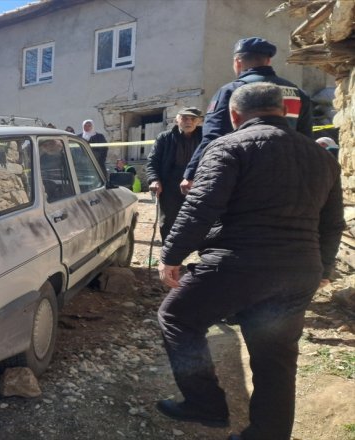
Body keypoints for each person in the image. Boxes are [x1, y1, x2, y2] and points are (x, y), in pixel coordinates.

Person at [156, 83, 343, 440]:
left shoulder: (227, 146)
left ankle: (205, 405)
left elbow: (200, 207)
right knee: (276, 356)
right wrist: (324, 267)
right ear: (284, 112)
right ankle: (269, 434)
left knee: (176, 317)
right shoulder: (321, 156)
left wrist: (172, 256)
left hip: (238, 263)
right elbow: (333, 223)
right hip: (299, 270)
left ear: (234, 115)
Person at [180, 37, 313, 194]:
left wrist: (191, 173)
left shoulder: (231, 91)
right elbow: (306, 138)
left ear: (237, 61)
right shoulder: (298, 93)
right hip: (289, 173)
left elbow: (213, 137)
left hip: (244, 174)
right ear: (268, 61)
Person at [146, 107, 204, 242]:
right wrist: (154, 179)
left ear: (199, 121)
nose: (188, 121)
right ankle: (170, 257)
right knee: (169, 221)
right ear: (176, 120)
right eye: (184, 118)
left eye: (193, 118)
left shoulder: (205, 137)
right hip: (170, 184)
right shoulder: (165, 138)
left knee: (198, 220)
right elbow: (152, 161)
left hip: (198, 183)